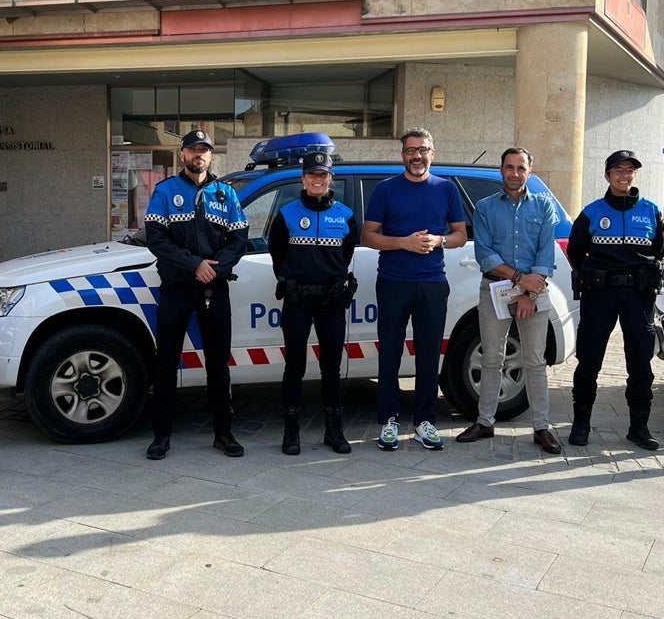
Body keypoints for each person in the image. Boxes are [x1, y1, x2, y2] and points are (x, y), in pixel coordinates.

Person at [144, 129, 249, 460]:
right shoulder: (165, 192)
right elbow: (156, 240)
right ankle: (161, 436)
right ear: (183, 154)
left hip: (214, 288)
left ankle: (224, 433)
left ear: (211, 156)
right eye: (193, 150)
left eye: (204, 150)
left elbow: (239, 239)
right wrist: (194, 265)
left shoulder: (226, 194)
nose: (198, 155)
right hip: (177, 288)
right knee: (165, 364)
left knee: (218, 365)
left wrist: (214, 270)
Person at [362, 128, 467, 451]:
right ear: (402, 155)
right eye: (410, 150)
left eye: (422, 149)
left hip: (433, 283)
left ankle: (424, 422)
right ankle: (389, 420)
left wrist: (439, 240)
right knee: (390, 352)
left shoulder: (446, 190)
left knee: (428, 354)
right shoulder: (386, 190)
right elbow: (368, 236)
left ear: (432, 153)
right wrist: (403, 243)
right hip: (394, 282)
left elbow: (460, 234)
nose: (416, 156)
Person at [456, 147, 562, 454]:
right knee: (491, 357)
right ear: (501, 169)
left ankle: (541, 428)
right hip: (495, 290)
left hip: (534, 292)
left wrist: (529, 292)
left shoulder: (543, 206)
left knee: (535, 361)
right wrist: (519, 280)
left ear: (529, 171)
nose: (514, 173)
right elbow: (485, 255)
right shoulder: (486, 207)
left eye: (520, 168)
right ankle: (485, 421)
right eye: (509, 167)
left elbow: (546, 252)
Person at [565, 150, 664, 450]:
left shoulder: (650, 211)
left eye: (630, 170)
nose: (624, 175)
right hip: (601, 295)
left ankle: (639, 428)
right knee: (589, 360)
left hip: (638, 296)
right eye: (618, 170)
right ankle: (581, 424)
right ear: (608, 176)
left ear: (635, 175)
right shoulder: (592, 212)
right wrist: (592, 275)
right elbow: (575, 251)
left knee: (640, 363)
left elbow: (659, 250)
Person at [268, 150, 361, 455]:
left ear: (330, 178)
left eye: (323, 175)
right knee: (294, 366)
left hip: (332, 301)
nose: (317, 180)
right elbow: (277, 254)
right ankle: (291, 432)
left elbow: (346, 255)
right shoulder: (287, 214)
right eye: (312, 175)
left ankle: (334, 431)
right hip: (298, 300)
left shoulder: (346, 216)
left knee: (331, 367)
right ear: (303, 178)